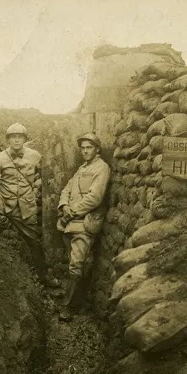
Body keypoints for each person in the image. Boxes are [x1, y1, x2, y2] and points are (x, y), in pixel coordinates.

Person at [0, 122, 61, 288]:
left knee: (33, 241)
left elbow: (47, 172)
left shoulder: (35, 156)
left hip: (25, 204)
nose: (16, 140)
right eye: (13, 137)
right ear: (8, 140)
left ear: (24, 139)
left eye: (19, 137)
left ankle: (44, 276)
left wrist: (39, 185)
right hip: (3, 199)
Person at [57, 132, 111, 321]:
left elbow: (94, 198)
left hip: (84, 223)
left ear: (97, 149)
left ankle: (69, 308)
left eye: (89, 147)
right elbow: (67, 189)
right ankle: (75, 298)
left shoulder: (101, 168)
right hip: (69, 222)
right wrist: (64, 205)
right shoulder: (81, 168)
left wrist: (71, 211)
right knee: (74, 263)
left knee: (76, 265)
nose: (85, 151)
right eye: (83, 148)